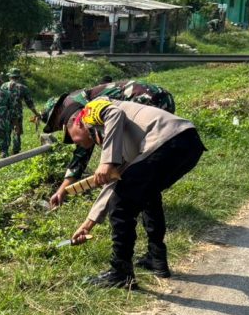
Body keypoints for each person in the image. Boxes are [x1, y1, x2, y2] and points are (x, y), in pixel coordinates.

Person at [68, 98, 205, 288]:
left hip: (167, 140)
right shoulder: (123, 143)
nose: (82, 145)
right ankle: (156, 259)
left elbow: (114, 113)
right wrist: (88, 224)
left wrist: (106, 162)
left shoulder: (90, 109)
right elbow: (114, 183)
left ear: (80, 123)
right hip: (188, 144)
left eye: (77, 139)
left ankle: (121, 273)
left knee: (121, 204)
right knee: (148, 195)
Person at [42, 79, 177, 209]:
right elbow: (86, 146)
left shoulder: (73, 105)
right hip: (160, 98)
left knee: (138, 161)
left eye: (56, 124)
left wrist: (107, 164)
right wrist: (63, 190)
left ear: (56, 112)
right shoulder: (74, 105)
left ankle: (142, 199)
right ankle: (144, 196)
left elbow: (83, 150)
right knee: (139, 159)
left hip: (148, 98)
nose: (59, 127)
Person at [1, 68, 40, 155]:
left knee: (6, 131)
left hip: (5, 114)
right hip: (17, 114)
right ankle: (16, 151)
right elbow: (30, 103)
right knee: (16, 131)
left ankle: (4, 150)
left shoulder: (3, 86)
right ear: (18, 77)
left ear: (9, 77)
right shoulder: (23, 88)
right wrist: (36, 114)